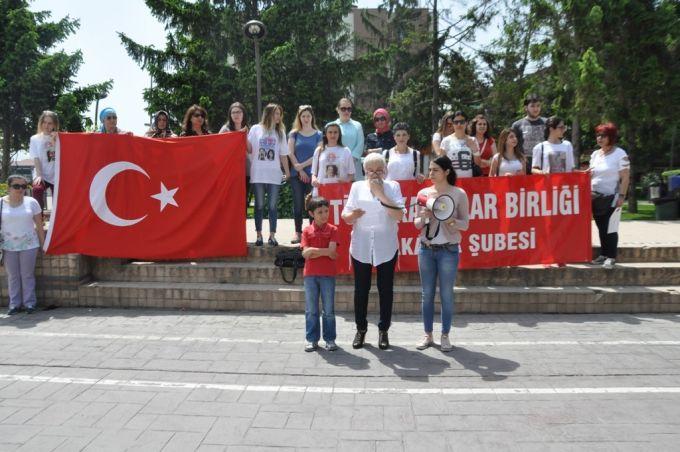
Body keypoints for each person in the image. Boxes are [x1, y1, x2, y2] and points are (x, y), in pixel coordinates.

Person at [341, 153, 405, 350]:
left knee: (386, 290)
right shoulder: (356, 187)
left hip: (385, 245)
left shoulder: (392, 186)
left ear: (385, 171)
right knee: (361, 290)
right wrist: (352, 215)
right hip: (361, 245)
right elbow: (345, 215)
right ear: (364, 171)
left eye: (379, 170)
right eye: (371, 171)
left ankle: (383, 330)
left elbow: (399, 215)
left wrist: (380, 194)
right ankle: (361, 329)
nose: (375, 174)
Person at [414, 156, 469, 352]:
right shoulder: (423, 193)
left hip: (448, 250)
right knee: (426, 294)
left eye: (435, 170)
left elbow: (465, 224)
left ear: (446, 172)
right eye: (430, 170)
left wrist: (450, 221)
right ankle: (428, 335)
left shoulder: (459, 194)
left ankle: (445, 335)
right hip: (426, 249)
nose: (431, 174)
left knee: (446, 294)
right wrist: (424, 218)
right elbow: (416, 224)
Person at [247, 103, 290, 246]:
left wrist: (287, 172)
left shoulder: (280, 132)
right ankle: (259, 235)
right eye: (276, 113)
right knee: (259, 205)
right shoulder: (255, 129)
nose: (278, 116)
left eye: (280, 114)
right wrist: (242, 135)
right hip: (258, 174)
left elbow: (284, 154)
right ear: (269, 114)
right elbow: (249, 148)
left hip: (274, 175)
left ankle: (272, 236)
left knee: (272, 206)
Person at [2, 175, 45, 315]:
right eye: (16, 186)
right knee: (13, 276)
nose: (20, 189)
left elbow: (39, 226)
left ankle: (30, 303)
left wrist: (43, 244)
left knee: (27, 275)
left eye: (23, 186)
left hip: (29, 244)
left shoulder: (32, 202)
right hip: (8, 246)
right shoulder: (1, 203)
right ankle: (14, 304)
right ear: (9, 187)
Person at [589, 122, 630, 269]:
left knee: (610, 228)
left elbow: (625, 177)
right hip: (594, 197)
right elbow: (591, 174)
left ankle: (611, 257)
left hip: (611, 197)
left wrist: (621, 196)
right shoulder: (595, 155)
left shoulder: (620, 154)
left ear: (611, 137)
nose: (599, 138)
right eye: (598, 135)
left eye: (603, 136)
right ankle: (603, 255)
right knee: (601, 227)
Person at [301, 195, 339, 352]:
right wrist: (324, 252)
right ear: (311, 214)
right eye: (320, 212)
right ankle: (311, 339)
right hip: (310, 275)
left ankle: (330, 339)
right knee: (311, 310)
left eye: (326, 211)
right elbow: (305, 254)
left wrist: (313, 251)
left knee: (328, 310)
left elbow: (332, 252)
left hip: (328, 275)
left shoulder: (333, 230)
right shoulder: (306, 230)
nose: (324, 215)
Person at [287, 105, 322, 244]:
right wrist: (299, 169)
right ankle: (298, 232)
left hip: (312, 174)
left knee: (312, 204)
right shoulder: (294, 133)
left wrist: (303, 166)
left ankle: (313, 231)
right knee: (298, 203)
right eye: (303, 116)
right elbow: (290, 152)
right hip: (297, 175)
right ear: (299, 118)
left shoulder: (319, 134)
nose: (306, 119)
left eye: (308, 116)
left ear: (312, 117)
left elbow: (318, 154)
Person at [219, 102, 251, 214]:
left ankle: (241, 229)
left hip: (245, 171)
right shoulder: (225, 129)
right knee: (229, 201)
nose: (236, 115)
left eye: (238, 112)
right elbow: (218, 147)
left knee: (243, 201)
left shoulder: (248, 129)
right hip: (230, 172)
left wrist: (244, 135)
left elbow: (250, 150)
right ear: (230, 115)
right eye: (233, 112)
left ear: (243, 114)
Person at [311, 123, 354, 193]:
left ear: (339, 134)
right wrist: (314, 180)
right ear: (325, 134)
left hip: (340, 191)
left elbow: (351, 175)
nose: (333, 135)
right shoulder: (319, 150)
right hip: (321, 190)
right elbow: (314, 173)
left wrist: (346, 180)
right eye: (330, 132)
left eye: (335, 132)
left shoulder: (346, 151)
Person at [30, 111, 59, 211]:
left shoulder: (60, 138)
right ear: (41, 123)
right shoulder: (34, 139)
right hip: (41, 173)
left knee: (59, 197)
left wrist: (57, 140)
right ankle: (39, 218)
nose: (46, 125)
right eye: (44, 122)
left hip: (56, 175)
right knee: (37, 189)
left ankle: (56, 222)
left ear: (54, 125)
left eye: (50, 123)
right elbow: (36, 158)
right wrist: (39, 175)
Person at [438, 110, 481, 178]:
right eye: (456, 122)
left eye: (462, 122)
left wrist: (475, 150)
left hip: (469, 181)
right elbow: (441, 164)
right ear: (452, 124)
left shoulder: (473, 140)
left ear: (466, 123)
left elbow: (478, 164)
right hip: (451, 181)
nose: (459, 124)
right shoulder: (446, 140)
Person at [330, 98, 365, 181]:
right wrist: (340, 161)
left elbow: (360, 144)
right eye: (343, 109)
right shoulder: (330, 126)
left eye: (349, 109)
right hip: (335, 165)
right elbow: (328, 145)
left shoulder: (357, 125)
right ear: (337, 110)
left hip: (354, 165)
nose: (346, 111)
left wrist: (349, 161)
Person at [511, 94, 546, 171]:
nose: (536, 109)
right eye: (532, 106)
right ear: (526, 108)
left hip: (544, 167)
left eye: (538, 106)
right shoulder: (517, 125)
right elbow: (511, 146)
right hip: (523, 167)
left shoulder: (547, 123)